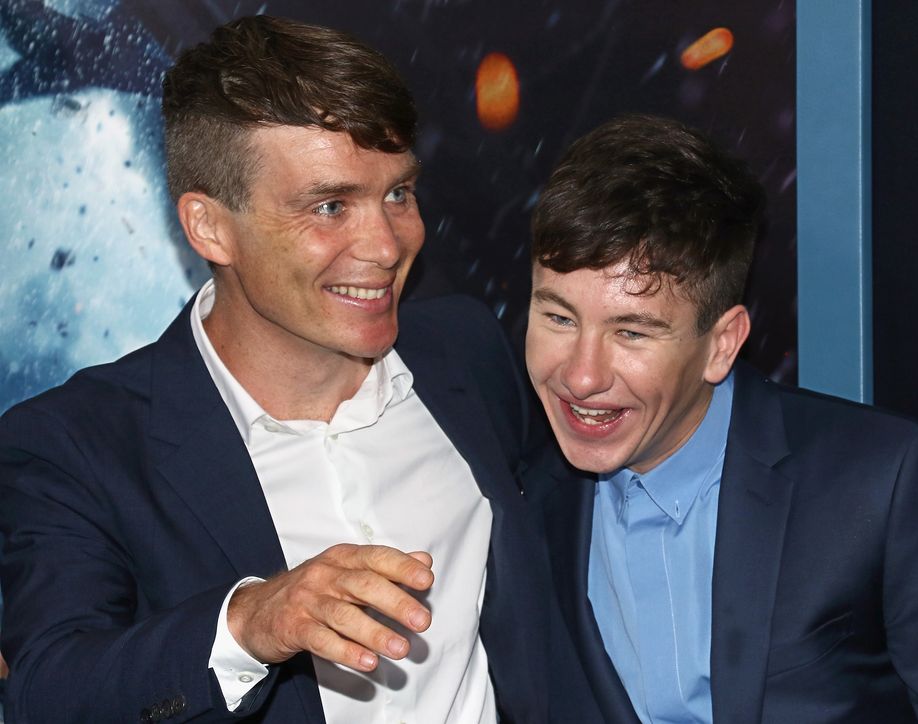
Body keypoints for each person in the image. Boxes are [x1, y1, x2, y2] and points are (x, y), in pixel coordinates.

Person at [0, 15, 570, 723]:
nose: (388, 244)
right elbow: (47, 693)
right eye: (330, 206)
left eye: (398, 193)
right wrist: (251, 624)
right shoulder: (78, 444)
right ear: (210, 227)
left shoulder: (465, 349)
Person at [524, 114, 918, 723]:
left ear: (722, 344)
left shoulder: (888, 487)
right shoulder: (526, 499)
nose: (580, 376)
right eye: (558, 319)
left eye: (631, 332)